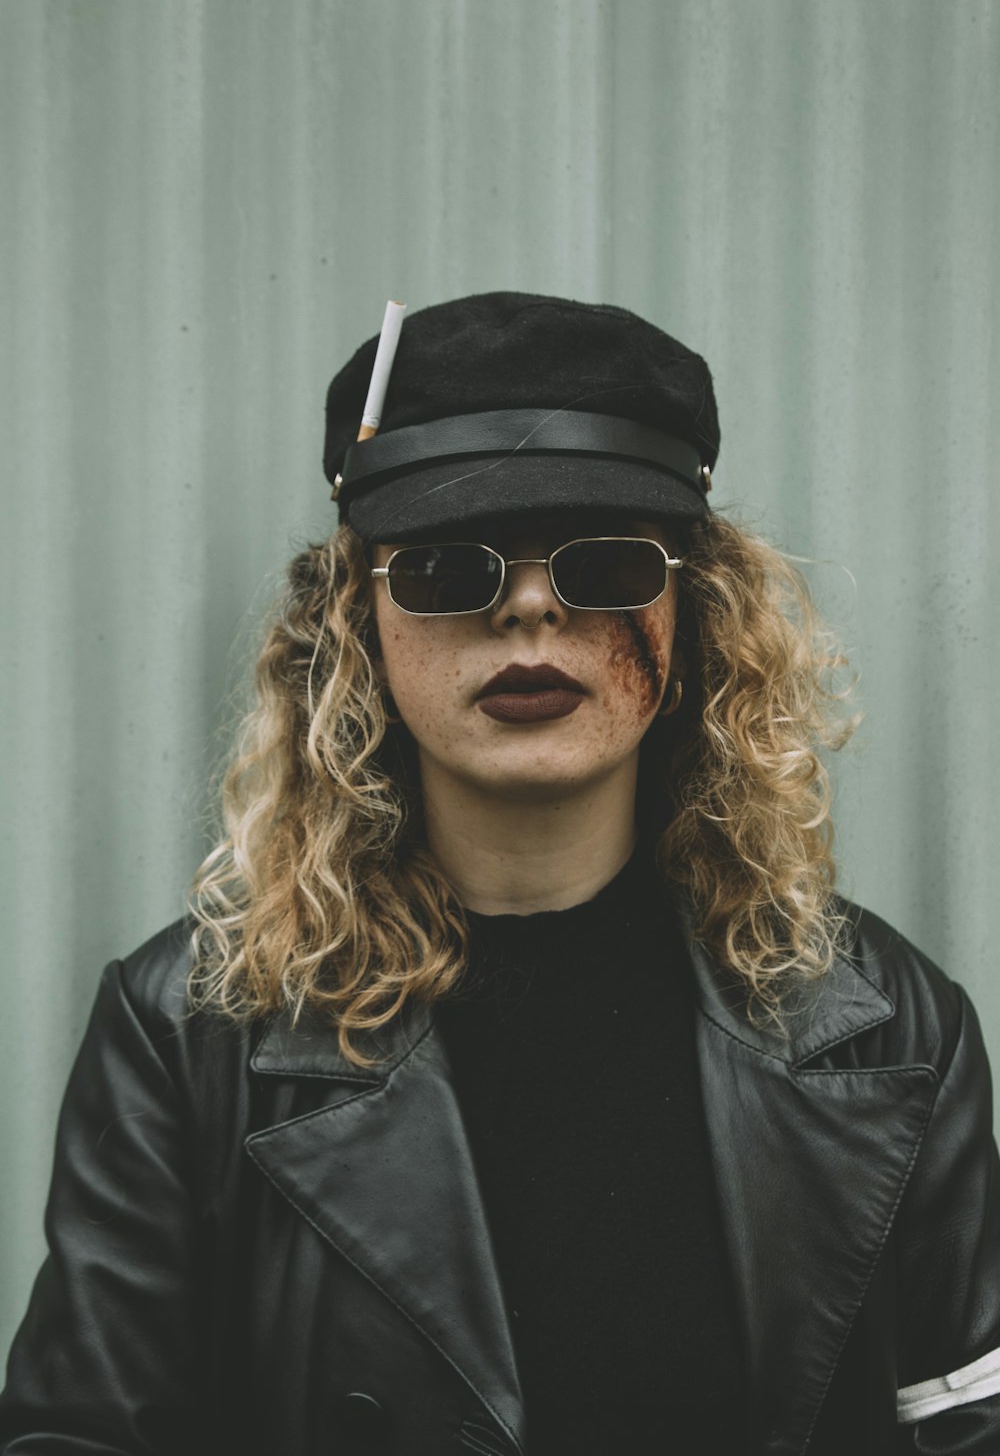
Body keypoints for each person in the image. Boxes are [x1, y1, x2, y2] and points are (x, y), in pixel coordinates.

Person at [2, 291, 998, 1455]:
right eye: (444, 565)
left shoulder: (887, 1031)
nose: (529, 606)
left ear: (694, 611)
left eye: (607, 561)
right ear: (355, 626)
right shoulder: (187, 1036)